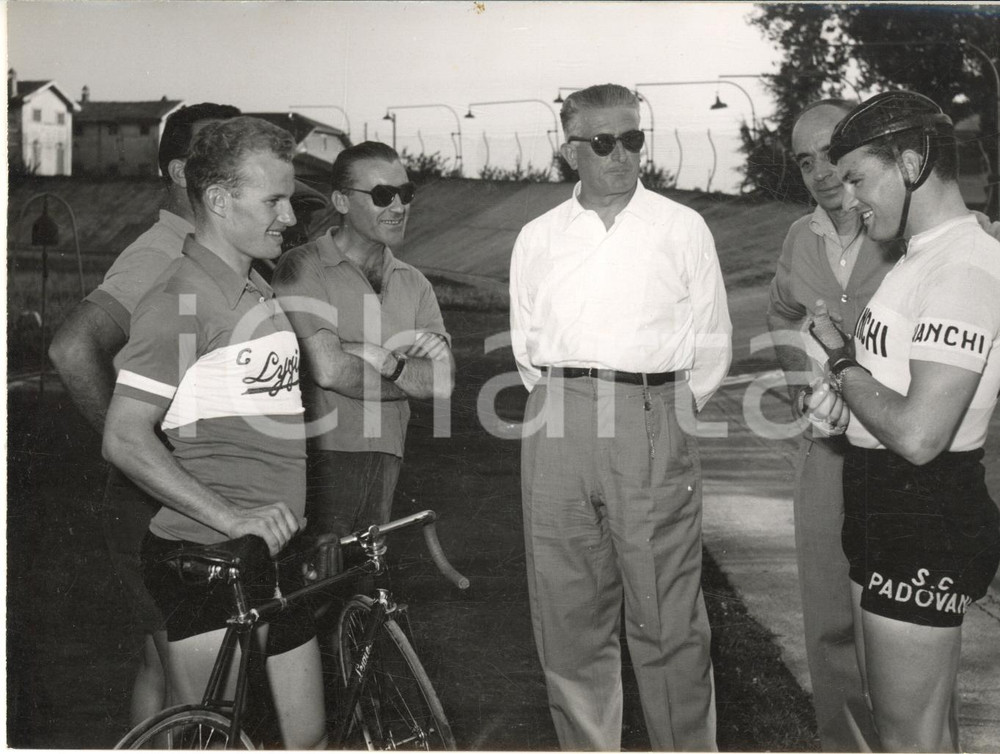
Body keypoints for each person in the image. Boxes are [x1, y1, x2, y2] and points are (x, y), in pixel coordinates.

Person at [509, 83, 732, 751]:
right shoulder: (539, 237)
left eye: (632, 138)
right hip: (558, 417)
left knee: (666, 616)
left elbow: (712, 340)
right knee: (568, 614)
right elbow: (526, 345)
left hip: (652, 413)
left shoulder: (680, 226)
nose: (620, 153)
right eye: (603, 142)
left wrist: (662, 413)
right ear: (570, 150)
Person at [102, 116, 325, 749]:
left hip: (274, 552)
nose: (288, 215)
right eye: (273, 200)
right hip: (206, 556)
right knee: (210, 740)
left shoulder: (255, 289)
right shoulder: (181, 298)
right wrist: (232, 519)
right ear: (222, 201)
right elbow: (124, 436)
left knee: (306, 739)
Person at [813, 90, 1000, 752]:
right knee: (909, 729)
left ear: (912, 162)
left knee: (910, 739)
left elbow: (921, 435)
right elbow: (893, 388)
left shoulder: (965, 265)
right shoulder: (922, 254)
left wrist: (843, 366)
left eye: (860, 179)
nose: (851, 201)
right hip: (883, 502)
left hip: (924, 513)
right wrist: (849, 398)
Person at [48, 102, 240, 724]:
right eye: (222, 157)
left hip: (175, 491)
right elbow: (72, 347)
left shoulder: (206, 252)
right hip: (156, 498)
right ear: (184, 172)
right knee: (200, 688)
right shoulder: (161, 253)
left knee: (163, 667)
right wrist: (136, 454)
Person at [765, 98, 899, 751]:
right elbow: (780, 314)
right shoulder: (799, 238)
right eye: (805, 160)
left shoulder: (903, 229)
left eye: (831, 154)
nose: (821, 173)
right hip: (825, 453)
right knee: (827, 622)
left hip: (900, 451)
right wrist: (799, 385)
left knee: (901, 629)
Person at [272, 141, 454, 545]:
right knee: (322, 581)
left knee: (365, 585)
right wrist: (407, 378)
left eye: (405, 194)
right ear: (340, 200)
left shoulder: (414, 281)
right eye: (382, 195)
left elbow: (441, 382)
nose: (398, 206)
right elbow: (329, 370)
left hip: (387, 454)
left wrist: (382, 359)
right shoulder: (303, 267)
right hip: (322, 456)